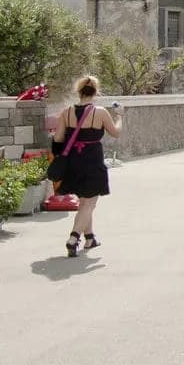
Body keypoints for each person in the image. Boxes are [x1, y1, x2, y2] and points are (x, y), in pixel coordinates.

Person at [52, 75, 122, 257]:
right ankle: (73, 238)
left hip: (73, 161)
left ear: (79, 91)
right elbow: (115, 133)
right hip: (92, 161)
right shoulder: (100, 112)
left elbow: (58, 138)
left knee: (85, 201)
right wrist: (120, 116)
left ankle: (89, 238)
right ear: (96, 91)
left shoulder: (66, 112)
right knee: (89, 203)